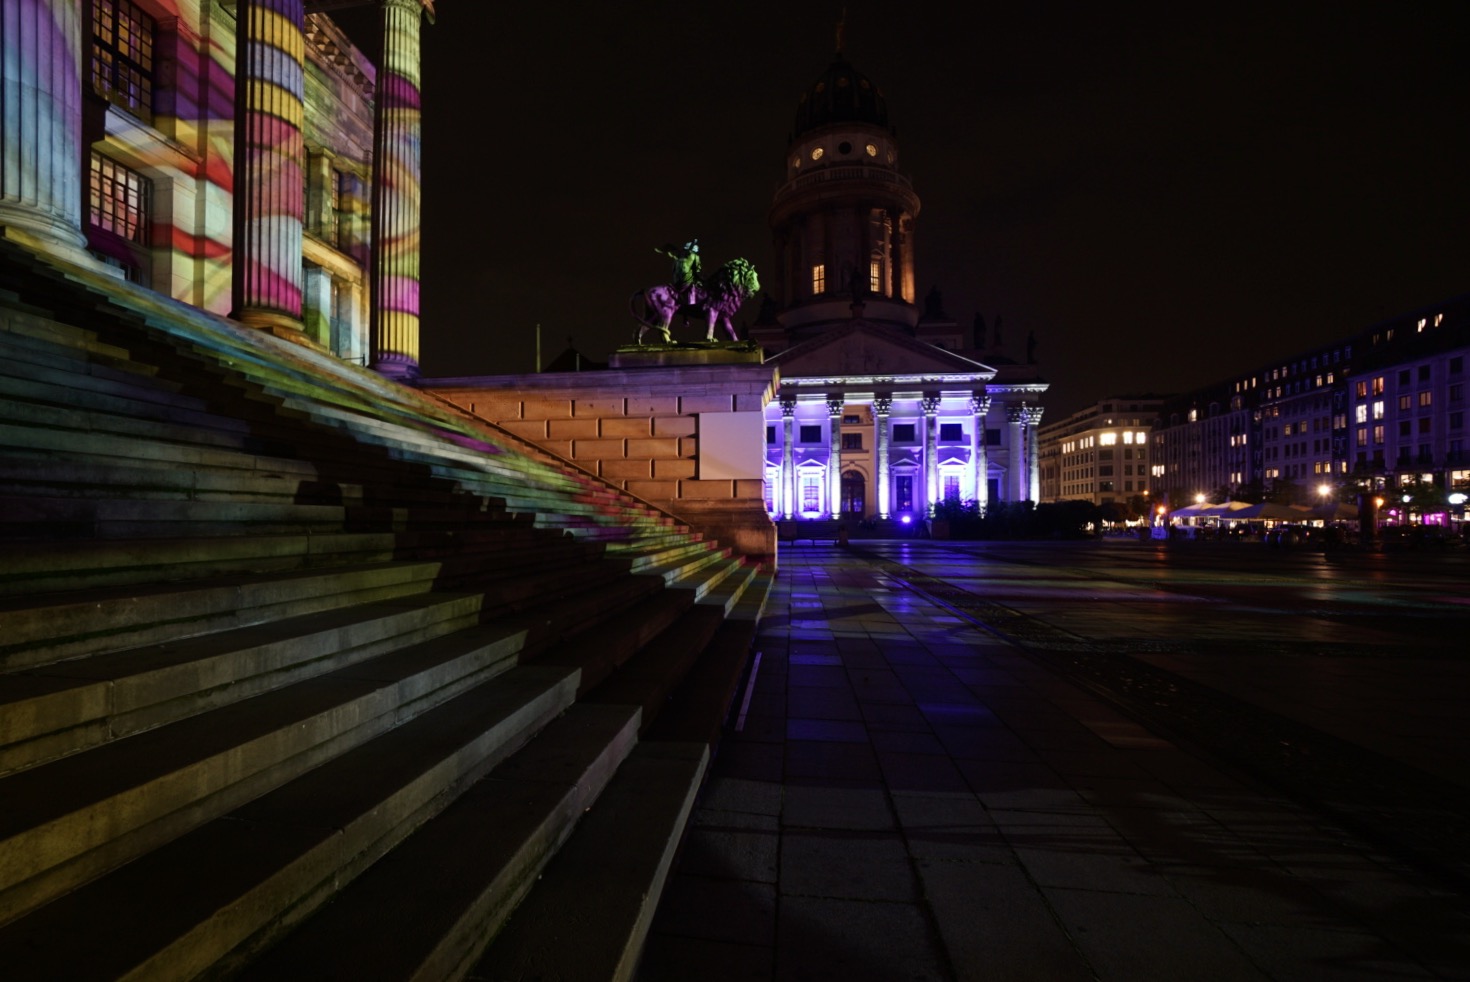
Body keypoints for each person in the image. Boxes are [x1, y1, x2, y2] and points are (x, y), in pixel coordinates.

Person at [656, 239, 701, 306]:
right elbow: (697, 269)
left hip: (676, 279)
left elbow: (674, 267)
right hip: (686, 279)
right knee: (694, 288)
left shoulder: (679, 256)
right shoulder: (694, 256)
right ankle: (691, 303)